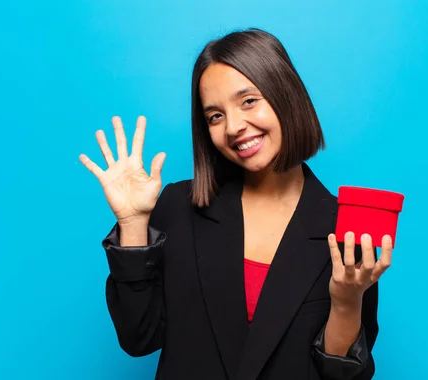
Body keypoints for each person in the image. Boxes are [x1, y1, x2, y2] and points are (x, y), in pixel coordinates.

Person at [79, 28, 392, 380]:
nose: (233, 127)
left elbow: (341, 377)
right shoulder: (178, 207)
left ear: (285, 94)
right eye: (215, 116)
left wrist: (347, 300)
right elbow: (139, 338)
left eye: (248, 101)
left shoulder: (344, 226)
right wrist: (135, 224)